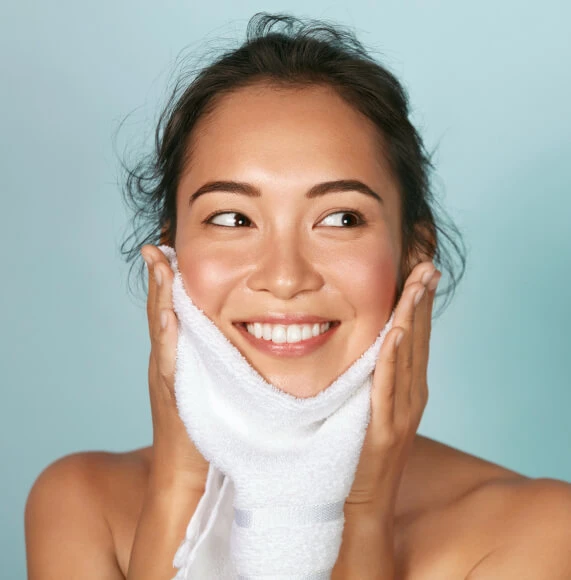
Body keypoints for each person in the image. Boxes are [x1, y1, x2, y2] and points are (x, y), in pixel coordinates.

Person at [24, 12, 571, 580]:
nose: (285, 278)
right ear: (171, 255)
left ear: (414, 253)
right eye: (233, 218)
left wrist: (364, 516)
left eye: (339, 217)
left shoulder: (537, 529)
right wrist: (176, 489)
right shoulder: (82, 503)